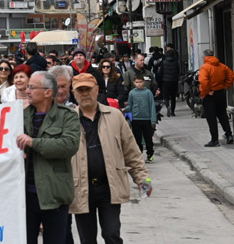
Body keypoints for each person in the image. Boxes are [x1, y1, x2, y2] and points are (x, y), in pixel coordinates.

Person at [70, 73, 151, 244]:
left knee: (112, 234)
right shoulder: (68, 120)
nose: (85, 93)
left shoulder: (115, 116)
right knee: (87, 238)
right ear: (74, 93)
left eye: (88, 89)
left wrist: (143, 178)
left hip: (109, 186)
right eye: (80, 90)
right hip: (81, 188)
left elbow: (131, 151)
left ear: (97, 90)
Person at [17, 71, 81, 244]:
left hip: (54, 196)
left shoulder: (67, 116)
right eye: (27, 86)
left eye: (32, 87)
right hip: (24, 197)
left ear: (48, 92)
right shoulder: (19, 116)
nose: (27, 90)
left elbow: (68, 146)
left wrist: (33, 142)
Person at [199, 49, 234, 146]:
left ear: (205, 57)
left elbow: (203, 81)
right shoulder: (222, 66)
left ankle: (214, 139)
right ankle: (229, 135)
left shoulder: (205, 67)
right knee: (222, 114)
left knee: (211, 117)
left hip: (210, 94)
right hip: (220, 92)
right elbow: (231, 76)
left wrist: (207, 90)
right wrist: (226, 86)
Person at [123, 73, 157, 162]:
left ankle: (150, 155)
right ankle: (139, 155)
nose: (139, 84)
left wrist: (153, 120)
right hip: (136, 119)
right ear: (134, 83)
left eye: (140, 82)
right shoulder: (132, 93)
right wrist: (124, 109)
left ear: (144, 82)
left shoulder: (148, 92)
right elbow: (130, 105)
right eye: (137, 82)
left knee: (148, 138)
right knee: (137, 139)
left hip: (147, 119)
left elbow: (152, 106)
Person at [159, 43, 180, 117]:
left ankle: (168, 106)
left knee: (166, 96)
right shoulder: (175, 63)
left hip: (166, 81)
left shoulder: (163, 63)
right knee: (173, 96)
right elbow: (178, 72)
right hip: (174, 81)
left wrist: (161, 79)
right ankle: (173, 112)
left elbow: (160, 72)